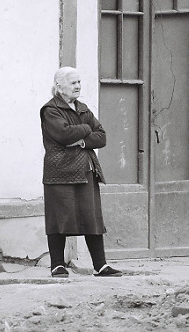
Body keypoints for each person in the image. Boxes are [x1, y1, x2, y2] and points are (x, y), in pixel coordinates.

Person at [40, 66, 122, 277]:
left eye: (79, 82)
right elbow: (64, 135)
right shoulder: (50, 110)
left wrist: (82, 140)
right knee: (58, 219)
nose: (78, 86)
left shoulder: (83, 109)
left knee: (91, 217)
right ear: (59, 86)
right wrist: (86, 129)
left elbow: (102, 136)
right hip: (59, 172)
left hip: (85, 170)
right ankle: (57, 265)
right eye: (73, 83)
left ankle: (100, 265)